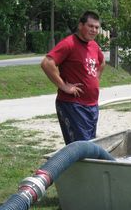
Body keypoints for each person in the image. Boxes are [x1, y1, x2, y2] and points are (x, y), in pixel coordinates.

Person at [41, 11, 105, 145]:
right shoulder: (69, 44)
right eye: (90, 26)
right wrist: (63, 86)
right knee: (79, 147)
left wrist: (94, 81)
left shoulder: (93, 45)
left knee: (90, 146)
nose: (94, 30)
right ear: (81, 25)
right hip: (73, 105)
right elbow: (47, 63)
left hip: (92, 105)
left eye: (96, 27)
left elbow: (102, 62)